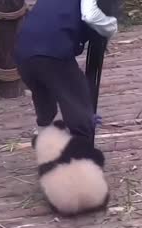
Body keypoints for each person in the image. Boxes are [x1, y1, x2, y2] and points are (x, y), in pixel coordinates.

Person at [14, 0, 118, 146]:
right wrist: (111, 27)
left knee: (45, 96)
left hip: (23, 52)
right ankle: (80, 155)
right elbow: (90, 15)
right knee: (77, 101)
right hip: (52, 54)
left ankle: (44, 136)